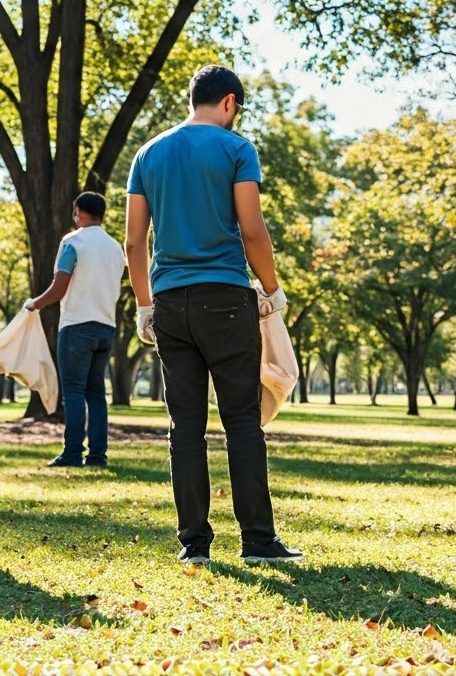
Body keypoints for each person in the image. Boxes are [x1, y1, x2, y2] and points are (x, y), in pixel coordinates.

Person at [124, 65, 303, 566]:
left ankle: (195, 545)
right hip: (225, 298)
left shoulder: (148, 153)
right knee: (242, 421)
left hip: (169, 303)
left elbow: (135, 240)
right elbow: (252, 230)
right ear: (228, 102)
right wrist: (272, 288)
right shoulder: (236, 149)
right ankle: (258, 541)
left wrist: (144, 305)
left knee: (185, 427)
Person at [26, 191, 127, 468]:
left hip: (77, 325)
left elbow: (59, 288)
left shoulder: (73, 242)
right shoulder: (115, 247)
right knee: (96, 393)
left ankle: (72, 452)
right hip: (106, 327)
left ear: (79, 212)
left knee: (72, 391)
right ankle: (97, 455)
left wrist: (35, 304)